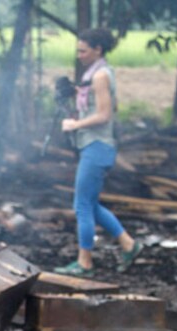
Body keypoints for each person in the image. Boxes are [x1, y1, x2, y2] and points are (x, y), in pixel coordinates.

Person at [54, 28, 142, 277]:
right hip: (94, 145)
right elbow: (96, 108)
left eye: (83, 51)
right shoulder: (94, 74)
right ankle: (129, 244)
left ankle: (85, 263)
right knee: (91, 204)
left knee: (82, 205)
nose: (79, 55)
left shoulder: (100, 76)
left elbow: (104, 115)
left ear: (97, 50)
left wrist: (75, 125)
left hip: (98, 146)